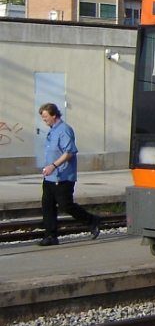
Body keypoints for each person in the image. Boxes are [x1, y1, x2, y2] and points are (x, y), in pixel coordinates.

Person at [37, 103, 100, 246]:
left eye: (46, 116)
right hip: (50, 176)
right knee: (47, 205)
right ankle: (50, 236)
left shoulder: (64, 130)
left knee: (66, 204)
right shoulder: (52, 131)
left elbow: (69, 152)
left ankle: (92, 220)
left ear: (54, 115)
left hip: (63, 176)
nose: (44, 119)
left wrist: (53, 166)